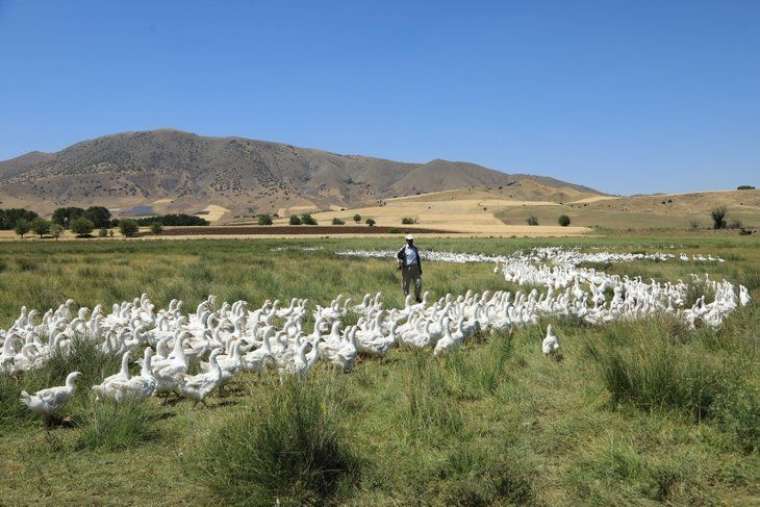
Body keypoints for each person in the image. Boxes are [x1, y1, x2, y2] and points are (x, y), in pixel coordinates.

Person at [397, 234, 422, 302]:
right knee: (406, 284)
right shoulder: (404, 248)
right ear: (406, 240)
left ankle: (417, 297)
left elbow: (418, 259)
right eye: (409, 240)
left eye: (412, 240)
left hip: (416, 268)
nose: (411, 241)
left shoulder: (415, 248)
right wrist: (401, 263)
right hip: (407, 268)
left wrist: (420, 269)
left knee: (418, 283)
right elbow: (398, 255)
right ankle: (407, 299)